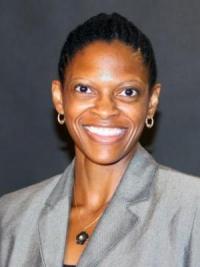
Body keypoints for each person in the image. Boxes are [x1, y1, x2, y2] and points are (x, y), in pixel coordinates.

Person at [1, 13, 200, 267]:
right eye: (84, 89)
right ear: (59, 98)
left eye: (128, 92)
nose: (105, 110)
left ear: (151, 103)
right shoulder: (10, 217)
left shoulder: (192, 210)